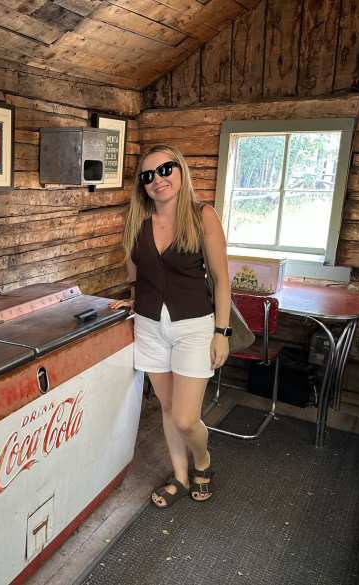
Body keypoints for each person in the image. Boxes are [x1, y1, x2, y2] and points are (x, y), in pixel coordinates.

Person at [109, 144, 231, 508]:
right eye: (148, 176)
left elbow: (222, 281)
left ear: (180, 171)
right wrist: (135, 300)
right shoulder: (137, 223)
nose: (158, 180)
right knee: (166, 406)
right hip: (149, 326)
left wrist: (221, 333)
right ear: (141, 185)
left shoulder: (202, 216)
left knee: (185, 417)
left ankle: (203, 461)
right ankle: (180, 475)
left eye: (165, 170)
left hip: (194, 326)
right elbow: (138, 276)